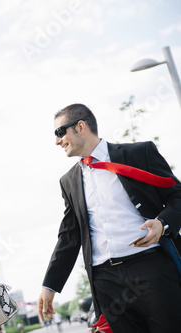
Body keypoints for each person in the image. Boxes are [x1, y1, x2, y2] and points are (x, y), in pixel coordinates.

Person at [38, 103, 181, 332]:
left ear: (80, 126)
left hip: (150, 268)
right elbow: (69, 237)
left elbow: (177, 196)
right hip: (105, 282)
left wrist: (162, 224)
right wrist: (50, 285)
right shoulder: (68, 182)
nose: (57, 141)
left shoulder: (138, 153)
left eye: (60, 132)